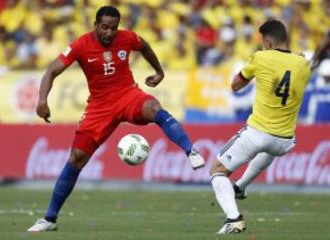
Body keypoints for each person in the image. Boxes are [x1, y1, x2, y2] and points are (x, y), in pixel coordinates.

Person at [27, 6, 205, 232]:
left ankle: (190, 150)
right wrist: (42, 100)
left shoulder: (127, 38)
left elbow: (145, 46)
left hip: (127, 94)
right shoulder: (80, 45)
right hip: (100, 107)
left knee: (153, 107)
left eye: (113, 28)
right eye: (104, 28)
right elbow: (51, 71)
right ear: (95, 25)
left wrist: (159, 71)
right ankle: (49, 219)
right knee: (76, 158)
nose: (109, 33)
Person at [209, 19, 310, 234]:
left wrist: (255, 71)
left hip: (258, 132)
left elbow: (235, 86)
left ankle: (234, 218)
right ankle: (241, 186)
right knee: (269, 146)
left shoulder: (260, 57)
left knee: (217, 170)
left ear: (268, 41)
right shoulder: (303, 64)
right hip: (285, 141)